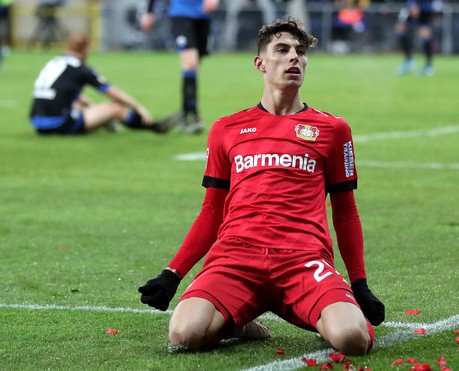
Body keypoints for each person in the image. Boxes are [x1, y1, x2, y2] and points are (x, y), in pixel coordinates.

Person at [138, 17, 385, 356]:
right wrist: (172, 274)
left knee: (353, 339)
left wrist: (360, 284)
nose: (293, 58)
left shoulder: (333, 129)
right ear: (261, 63)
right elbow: (212, 211)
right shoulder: (226, 129)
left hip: (303, 260)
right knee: (183, 334)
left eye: (300, 52)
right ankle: (240, 323)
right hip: (236, 258)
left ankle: (318, 318)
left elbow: (346, 212)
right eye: (282, 50)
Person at [29, 32, 176, 135]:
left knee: (82, 103)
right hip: (59, 123)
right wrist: (138, 107)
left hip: (37, 121)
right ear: (85, 49)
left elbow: (61, 92)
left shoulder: (54, 62)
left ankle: (106, 122)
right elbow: (113, 93)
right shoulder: (81, 69)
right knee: (116, 107)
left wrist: (91, 106)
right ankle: (153, 126)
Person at [140, 0, 220, 134]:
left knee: (194, 67)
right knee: (190, 64)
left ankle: (185, 113)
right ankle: (192, 116)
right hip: (181, 15)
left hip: (204, 17)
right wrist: (149, 12)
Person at [394, 0, 438, 76]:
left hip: (425, 7)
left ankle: (428, 66)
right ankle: (409, 60)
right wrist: (412, 4)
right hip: (412, 6)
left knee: (425, 33)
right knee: (400, 27)